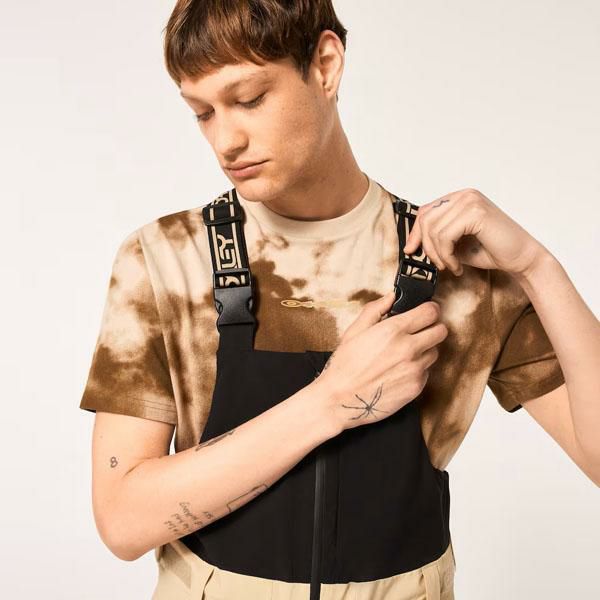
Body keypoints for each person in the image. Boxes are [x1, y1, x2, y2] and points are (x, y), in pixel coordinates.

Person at [78, 1, 600, 599]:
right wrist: (334, 400)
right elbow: (123, 523)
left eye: (249, 99)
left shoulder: (458, 263)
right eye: (203, 113)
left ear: (325, 65)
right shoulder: (166, 260)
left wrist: (537, 267)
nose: (226, 140)